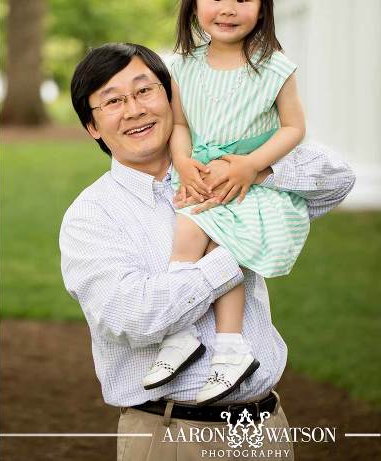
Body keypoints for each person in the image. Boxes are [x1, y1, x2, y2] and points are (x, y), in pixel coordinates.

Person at [59, 42, 355, 459]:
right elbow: (134, 316)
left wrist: (256, 169)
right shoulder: (92, 215)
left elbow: (337, 179)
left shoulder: (227, 166)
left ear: (171, 96)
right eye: (113, 101)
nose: (134, 110)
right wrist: (233, 251)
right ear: (92, 126)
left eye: (145, 91)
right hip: (172, 433)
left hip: (265, 429)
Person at [142, 0, 311, 404]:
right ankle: (182, 334)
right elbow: (179, 124)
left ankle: (231, 345)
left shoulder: (275, 68)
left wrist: (253, 165)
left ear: (262, 6)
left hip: (247, 182)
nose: (228, 9)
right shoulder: (180, 67)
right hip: (201, 175)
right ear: (194, 1)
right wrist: (181, 160)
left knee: (222, 246)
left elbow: (294, 127)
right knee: (188, 235)